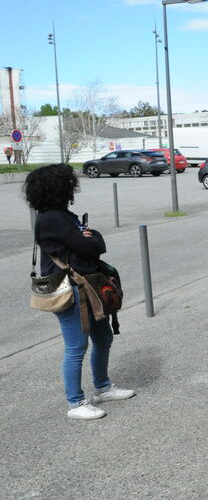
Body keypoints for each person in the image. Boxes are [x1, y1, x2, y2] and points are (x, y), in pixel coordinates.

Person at [24, 164, 135, 421]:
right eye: (69, 183)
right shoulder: (53, 218)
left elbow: (88, 244)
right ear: (57, 188)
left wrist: (89, 237)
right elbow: (91, 247)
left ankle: (102, 388)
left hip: (86, 286)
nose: (73, 187)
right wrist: (92, 236)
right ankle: (75, 403)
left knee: (103, 338)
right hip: (70, 288)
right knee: (76, 346)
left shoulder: (61, 215)